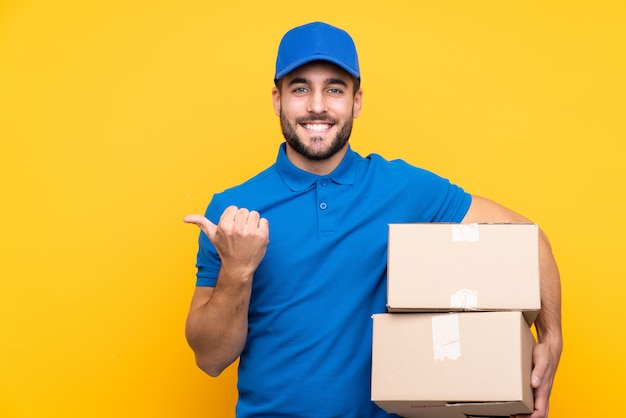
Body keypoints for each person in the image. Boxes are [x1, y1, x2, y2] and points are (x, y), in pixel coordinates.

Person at [183, 21, 562, 418]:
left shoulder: (403, 189)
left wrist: (552, 336)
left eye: (334, 88)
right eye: (300, 88)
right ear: (277, 100)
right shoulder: (233, 211)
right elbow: (210, 359)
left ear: (357, 101)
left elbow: (529, 240)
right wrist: (238, 270)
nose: (316, 105)